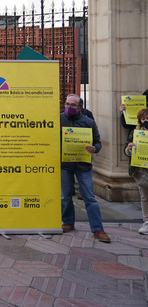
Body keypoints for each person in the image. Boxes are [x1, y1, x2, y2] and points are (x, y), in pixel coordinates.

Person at [60, 94, 110, 243]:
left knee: (89, 197)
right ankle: (68, 222)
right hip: (65, 165)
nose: (69, 107)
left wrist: (94, 148)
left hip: (83, 166)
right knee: (65, 196)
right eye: (67, 104)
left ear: (80, 107)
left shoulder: (88, 122)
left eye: (73, 105)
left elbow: (98, 142)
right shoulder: (59, 119)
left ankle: (98, 229)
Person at [125, 108, 148, 235]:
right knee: (144, 196)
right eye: (143, 119)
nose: (145, 121)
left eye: (147, 118)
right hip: (140, 169)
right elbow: (126, 151)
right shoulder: (135, 132)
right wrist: (129, 148)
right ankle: (146, 222)